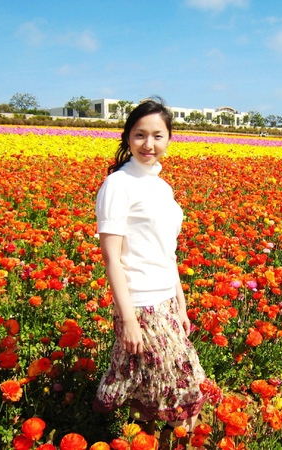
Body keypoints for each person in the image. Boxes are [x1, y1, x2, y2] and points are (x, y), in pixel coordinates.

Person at [92, 98, 206, 446]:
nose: (149, 144)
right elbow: (112, 258)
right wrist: (128, 320)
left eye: (157, 135)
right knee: (183, 389)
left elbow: (166, 252)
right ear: (127, 138)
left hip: (167, 302)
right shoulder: (118, 185)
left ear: (169, 140)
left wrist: (181, 305)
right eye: (140, 135)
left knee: (153, 389)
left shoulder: (162, 187)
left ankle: (151, 442)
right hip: (140, 304)